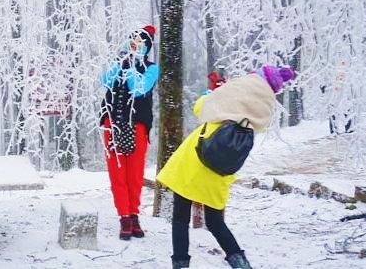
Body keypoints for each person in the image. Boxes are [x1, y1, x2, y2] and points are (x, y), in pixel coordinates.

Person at [156, 65, 296, 269]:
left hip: (197, 156)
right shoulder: (265, 106)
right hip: (220, 167)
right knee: (214, 221)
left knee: (180, 218)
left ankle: (180, 264)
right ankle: (240, 263)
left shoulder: (234, 90)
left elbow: (200, 108)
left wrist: (210, 95)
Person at [99, 25, 160, 240]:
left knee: (134, 175)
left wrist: (134, 65)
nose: (135, 44)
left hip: (137, 126)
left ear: (147, 46)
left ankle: (134, 215)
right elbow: (105, 81)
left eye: (140, 41)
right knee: (117, 174)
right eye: (133, 40)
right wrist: (122, 63)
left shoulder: (152, 68)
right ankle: (124, 216)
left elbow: (138, 88)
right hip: (112, 123)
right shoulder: (119, 63)